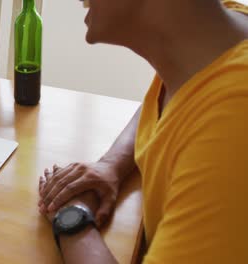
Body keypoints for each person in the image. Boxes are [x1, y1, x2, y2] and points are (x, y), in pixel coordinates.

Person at [38, 0, 248, 263]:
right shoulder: (210, 41)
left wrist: (72, 219)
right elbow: (174, 96)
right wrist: (110, 165)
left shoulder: (234, 118)